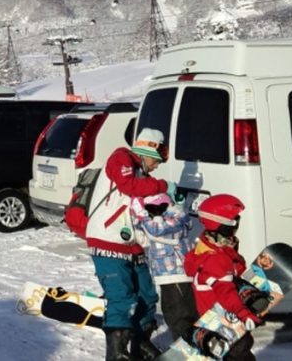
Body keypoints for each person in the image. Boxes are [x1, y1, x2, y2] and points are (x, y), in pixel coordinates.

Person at [87, 127, 174, 361]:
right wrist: (163, 186)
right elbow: (128, 186)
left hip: (132, 244)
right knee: (122, 298)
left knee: (147, 295)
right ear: (146, 152)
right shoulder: (121, 158)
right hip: (106, 240)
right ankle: (116, 354)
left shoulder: (143, 176)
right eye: (156, 161)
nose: (156, 167)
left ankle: (141, 346)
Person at [184, 194, 259, 361]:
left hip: (212, 318)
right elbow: (225, 290)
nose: (236, 228)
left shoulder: (206, 249)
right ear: (222, 225)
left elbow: (235, 273)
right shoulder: (216, 258)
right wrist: (242, 312)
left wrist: (232, 253)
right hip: (225, 317)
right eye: (234, 224)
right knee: (240, 352)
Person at [130, 192, 199, 342]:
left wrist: (142, 215)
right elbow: (144, 238)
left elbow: (156, 230)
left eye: (150, 209)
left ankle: (187, 344)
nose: (148, 213)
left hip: (177, 275)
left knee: (180, 315)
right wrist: (138, 219)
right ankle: (185, 341)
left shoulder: (177, 217)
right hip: (166, 277)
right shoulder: (158, 221)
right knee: (172, 313)